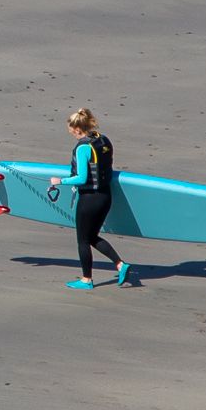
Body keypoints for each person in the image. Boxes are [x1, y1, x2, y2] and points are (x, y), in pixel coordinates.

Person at [64, 107, 134, 289]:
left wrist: (59, 181)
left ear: (78, 129)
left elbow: (81, 178)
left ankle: (86, 280)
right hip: (105, 196)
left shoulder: (83, 148)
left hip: (89, 199)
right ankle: (120, 265)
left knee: (83, 240)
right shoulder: (103, 140)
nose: (71, 134)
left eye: (71, 131)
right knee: (92, 236)